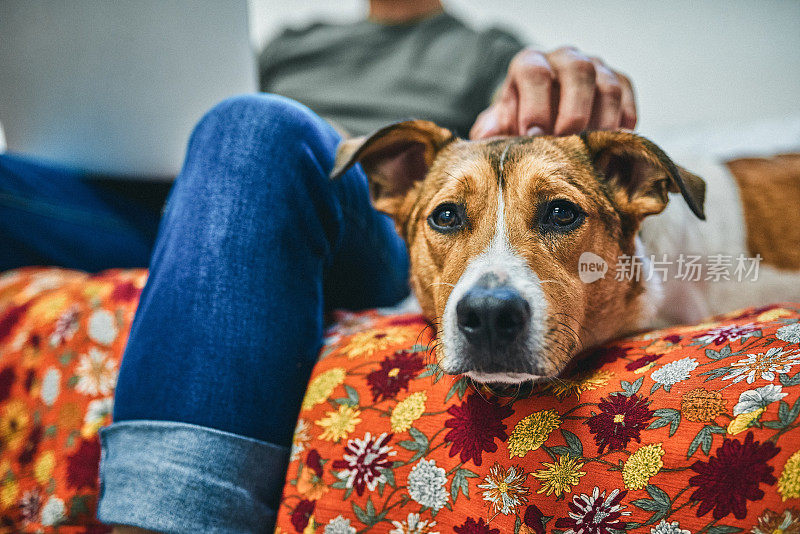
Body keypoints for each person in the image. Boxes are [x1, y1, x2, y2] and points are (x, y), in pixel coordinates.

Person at [1, 1, 636, 532]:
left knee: (256, 128)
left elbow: (513, 158)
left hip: (354, 212)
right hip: (213, 199)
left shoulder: (481, 48)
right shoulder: (294, 43)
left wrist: (545, 83)